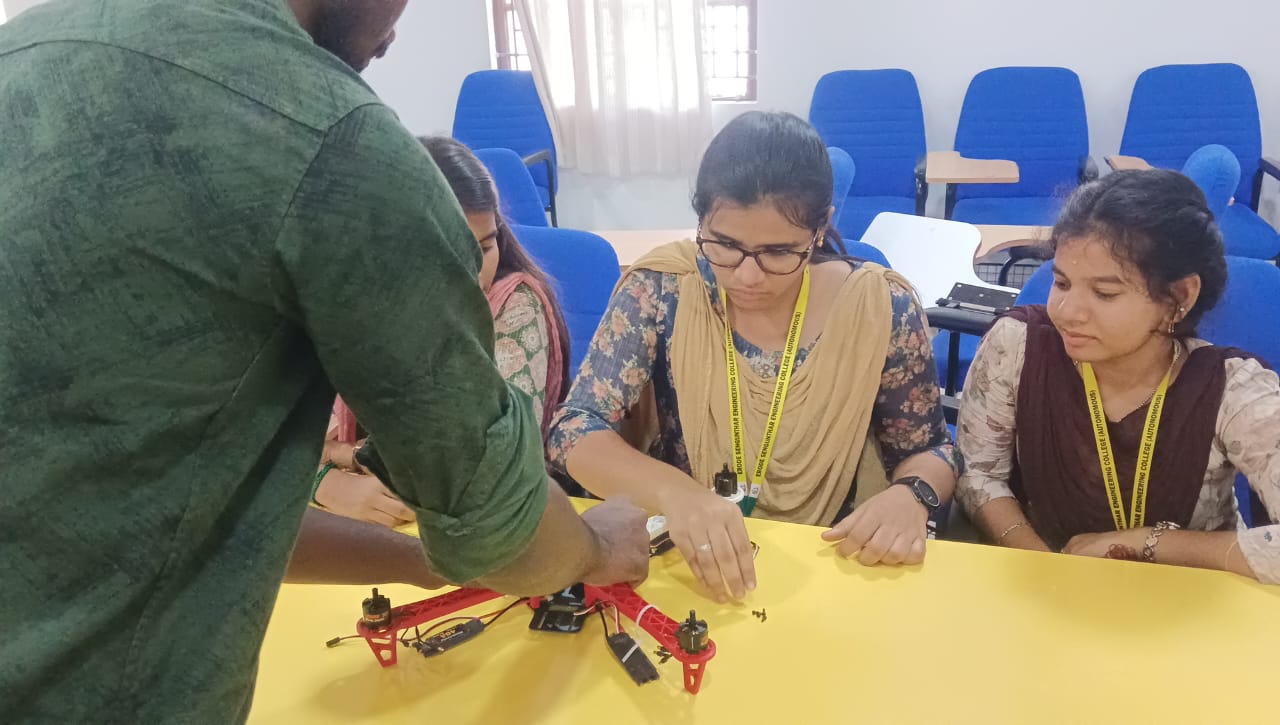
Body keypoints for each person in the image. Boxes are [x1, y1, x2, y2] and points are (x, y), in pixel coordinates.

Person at [0, 1, 648, 721]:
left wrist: (421, 554)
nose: (398, 29)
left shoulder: (29, 47)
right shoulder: (336, 141)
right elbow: (502, 527)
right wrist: (593, 546)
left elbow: (156, 498)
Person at [546, 112, 960, 603]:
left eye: (778, 252)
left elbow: (932, 449)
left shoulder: (879, 308)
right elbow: (573, 430)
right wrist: (677, 495)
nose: (747, 277)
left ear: (820, 227)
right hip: (690, 566)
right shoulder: (663, 288)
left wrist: (912, 495)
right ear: (701, 219)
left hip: (835, 569)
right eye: (724, 245)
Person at [956, 169, 1280, 583]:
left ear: (1180, 297)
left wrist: (1148, 543)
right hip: (1041, 590)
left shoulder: (1232, 390)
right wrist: (1047, 566)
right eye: (1061, 282)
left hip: (1187, 603)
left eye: (1105, 293)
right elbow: (979, 476)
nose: (1068, 312)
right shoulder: (1018, 348)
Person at [316, 136, 573, 527]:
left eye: (486, 248)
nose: (474, 273)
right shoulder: (355, 303)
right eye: (449, 253)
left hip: (494, 531)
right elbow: (266, 448)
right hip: (376, 529)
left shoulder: (515, 307)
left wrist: (343, 457)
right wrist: (323, 484)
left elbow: (483, 464)